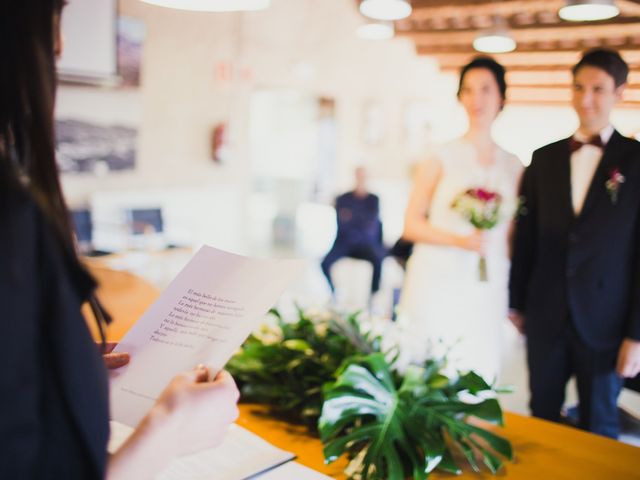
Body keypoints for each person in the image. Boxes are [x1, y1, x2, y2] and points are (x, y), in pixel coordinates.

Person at [0, 1, 239, 478]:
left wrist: (70, 372)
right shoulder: (11, 217)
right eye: (54, 26)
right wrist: (170, 429)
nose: (62, 46)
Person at [509, 48, 640, 439]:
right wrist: (516, 300)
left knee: (600, 426)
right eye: (579, 87)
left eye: (598, 89)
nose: (586, 99)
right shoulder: (543, 158)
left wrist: (636, 334)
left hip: (607, 323)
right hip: (545, 313)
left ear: (619, 92)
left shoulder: (636, 160)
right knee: (541, 420)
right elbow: (526, 235)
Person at [398, 57, 522, 380]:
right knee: (431, 368)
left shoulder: (514, 165)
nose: (476, 99)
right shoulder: (440, 156)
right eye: (467, 90)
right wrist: (459, 241)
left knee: (477, 368)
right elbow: (410, 224)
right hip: (438, 277)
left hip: (488, 281)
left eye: (485, 89)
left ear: (502, 98)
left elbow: (513, 235)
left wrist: (515, 295)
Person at [321, 166, 386, 296]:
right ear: (355, 176)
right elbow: (344, 223)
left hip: (365, 245)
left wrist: (352, 217)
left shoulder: (373, 199)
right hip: (344, 243)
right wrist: (360, 220)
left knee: (378, 260)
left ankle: (374, 295)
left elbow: (372, 224)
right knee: (324, 263)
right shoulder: (343, 198)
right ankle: (334, 292)